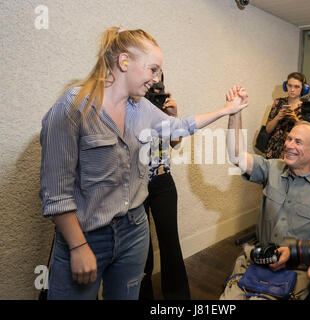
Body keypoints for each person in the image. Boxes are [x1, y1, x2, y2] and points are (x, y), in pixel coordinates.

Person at [39, 26, 248, 300]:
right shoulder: (73, 106)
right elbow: (56, 193)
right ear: (125, 62)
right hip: (86, 235)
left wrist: (227, 110)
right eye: (153, 69)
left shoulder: (141, 108)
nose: (156, 78)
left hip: (134, 231)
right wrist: (78, 247)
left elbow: (178, 127)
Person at [223, 88, 310, 299]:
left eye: (298, 142)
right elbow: (236, 155)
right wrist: (235, 112)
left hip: (297, 271)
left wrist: (294, 253)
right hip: (257, 261)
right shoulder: (272, 168)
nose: (288, 145)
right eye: (289, 139)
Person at [139, 77, 190, 300]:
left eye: (159, 85)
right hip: (136, 185)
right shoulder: (131, 106)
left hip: (162, 182)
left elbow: (175, 143)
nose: (155, 88)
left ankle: (177, 299)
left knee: (170, 242)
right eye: (152, 85)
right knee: (141, 248)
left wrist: (173, 117)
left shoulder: (163, 110)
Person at [264, 72, 308, 159]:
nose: (292, 89)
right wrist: (277, 117)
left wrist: (295, 119)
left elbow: (308, 134)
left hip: (294, 150)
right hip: (274, 149)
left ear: (303, 88)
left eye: (296, 86)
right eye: (289, 85)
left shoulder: (306, 107)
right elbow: (268, 130)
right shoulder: (278, 102)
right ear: (285, 86)